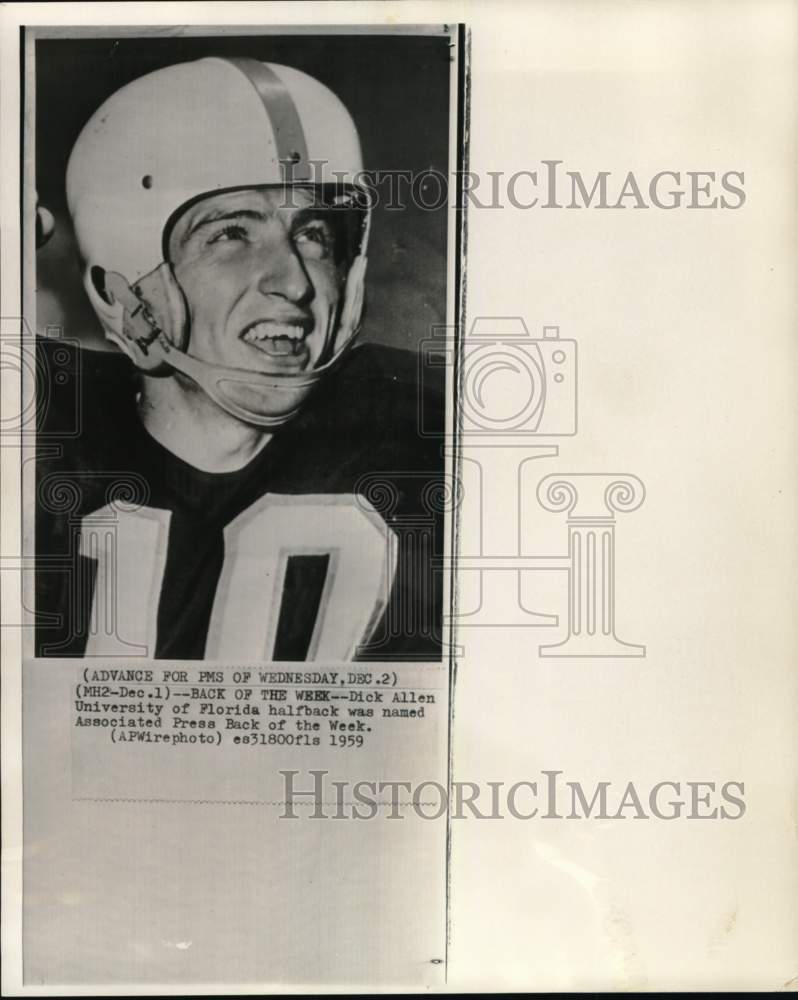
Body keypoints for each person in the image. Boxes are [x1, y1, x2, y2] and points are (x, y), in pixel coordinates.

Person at [35, 56, 444, 661]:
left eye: (314, 235)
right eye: (230, 234)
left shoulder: (422, 425)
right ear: (120, 293)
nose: (294, 282)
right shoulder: (39, 424)